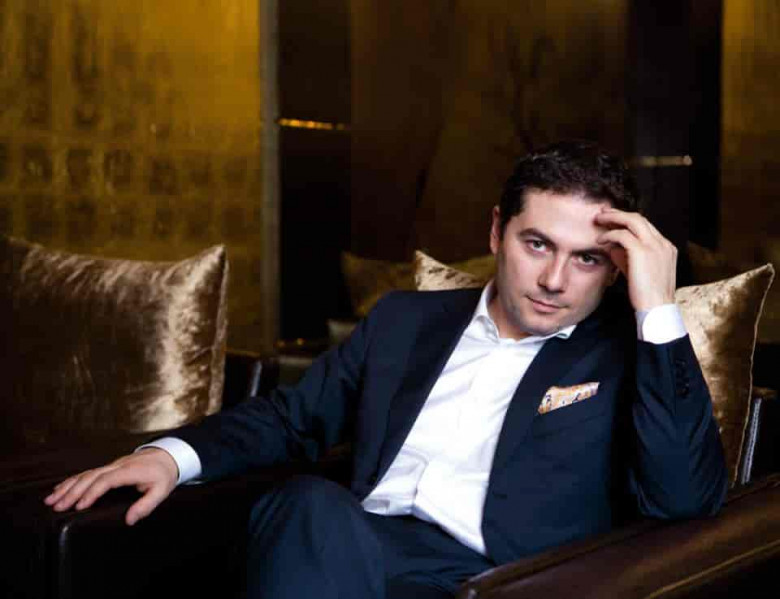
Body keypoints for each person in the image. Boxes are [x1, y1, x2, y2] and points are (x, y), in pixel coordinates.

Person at [45, 141, 727, 599]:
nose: (554, 279)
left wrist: (657, 309)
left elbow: (683, 499)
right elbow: (292, 418)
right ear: (497, 232)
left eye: (587, 258)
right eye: (537, 244)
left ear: (615, 267)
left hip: (492, 580)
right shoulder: (405, 321)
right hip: (350, 554)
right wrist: (171, 456)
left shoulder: (628, 353)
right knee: (309, 504)